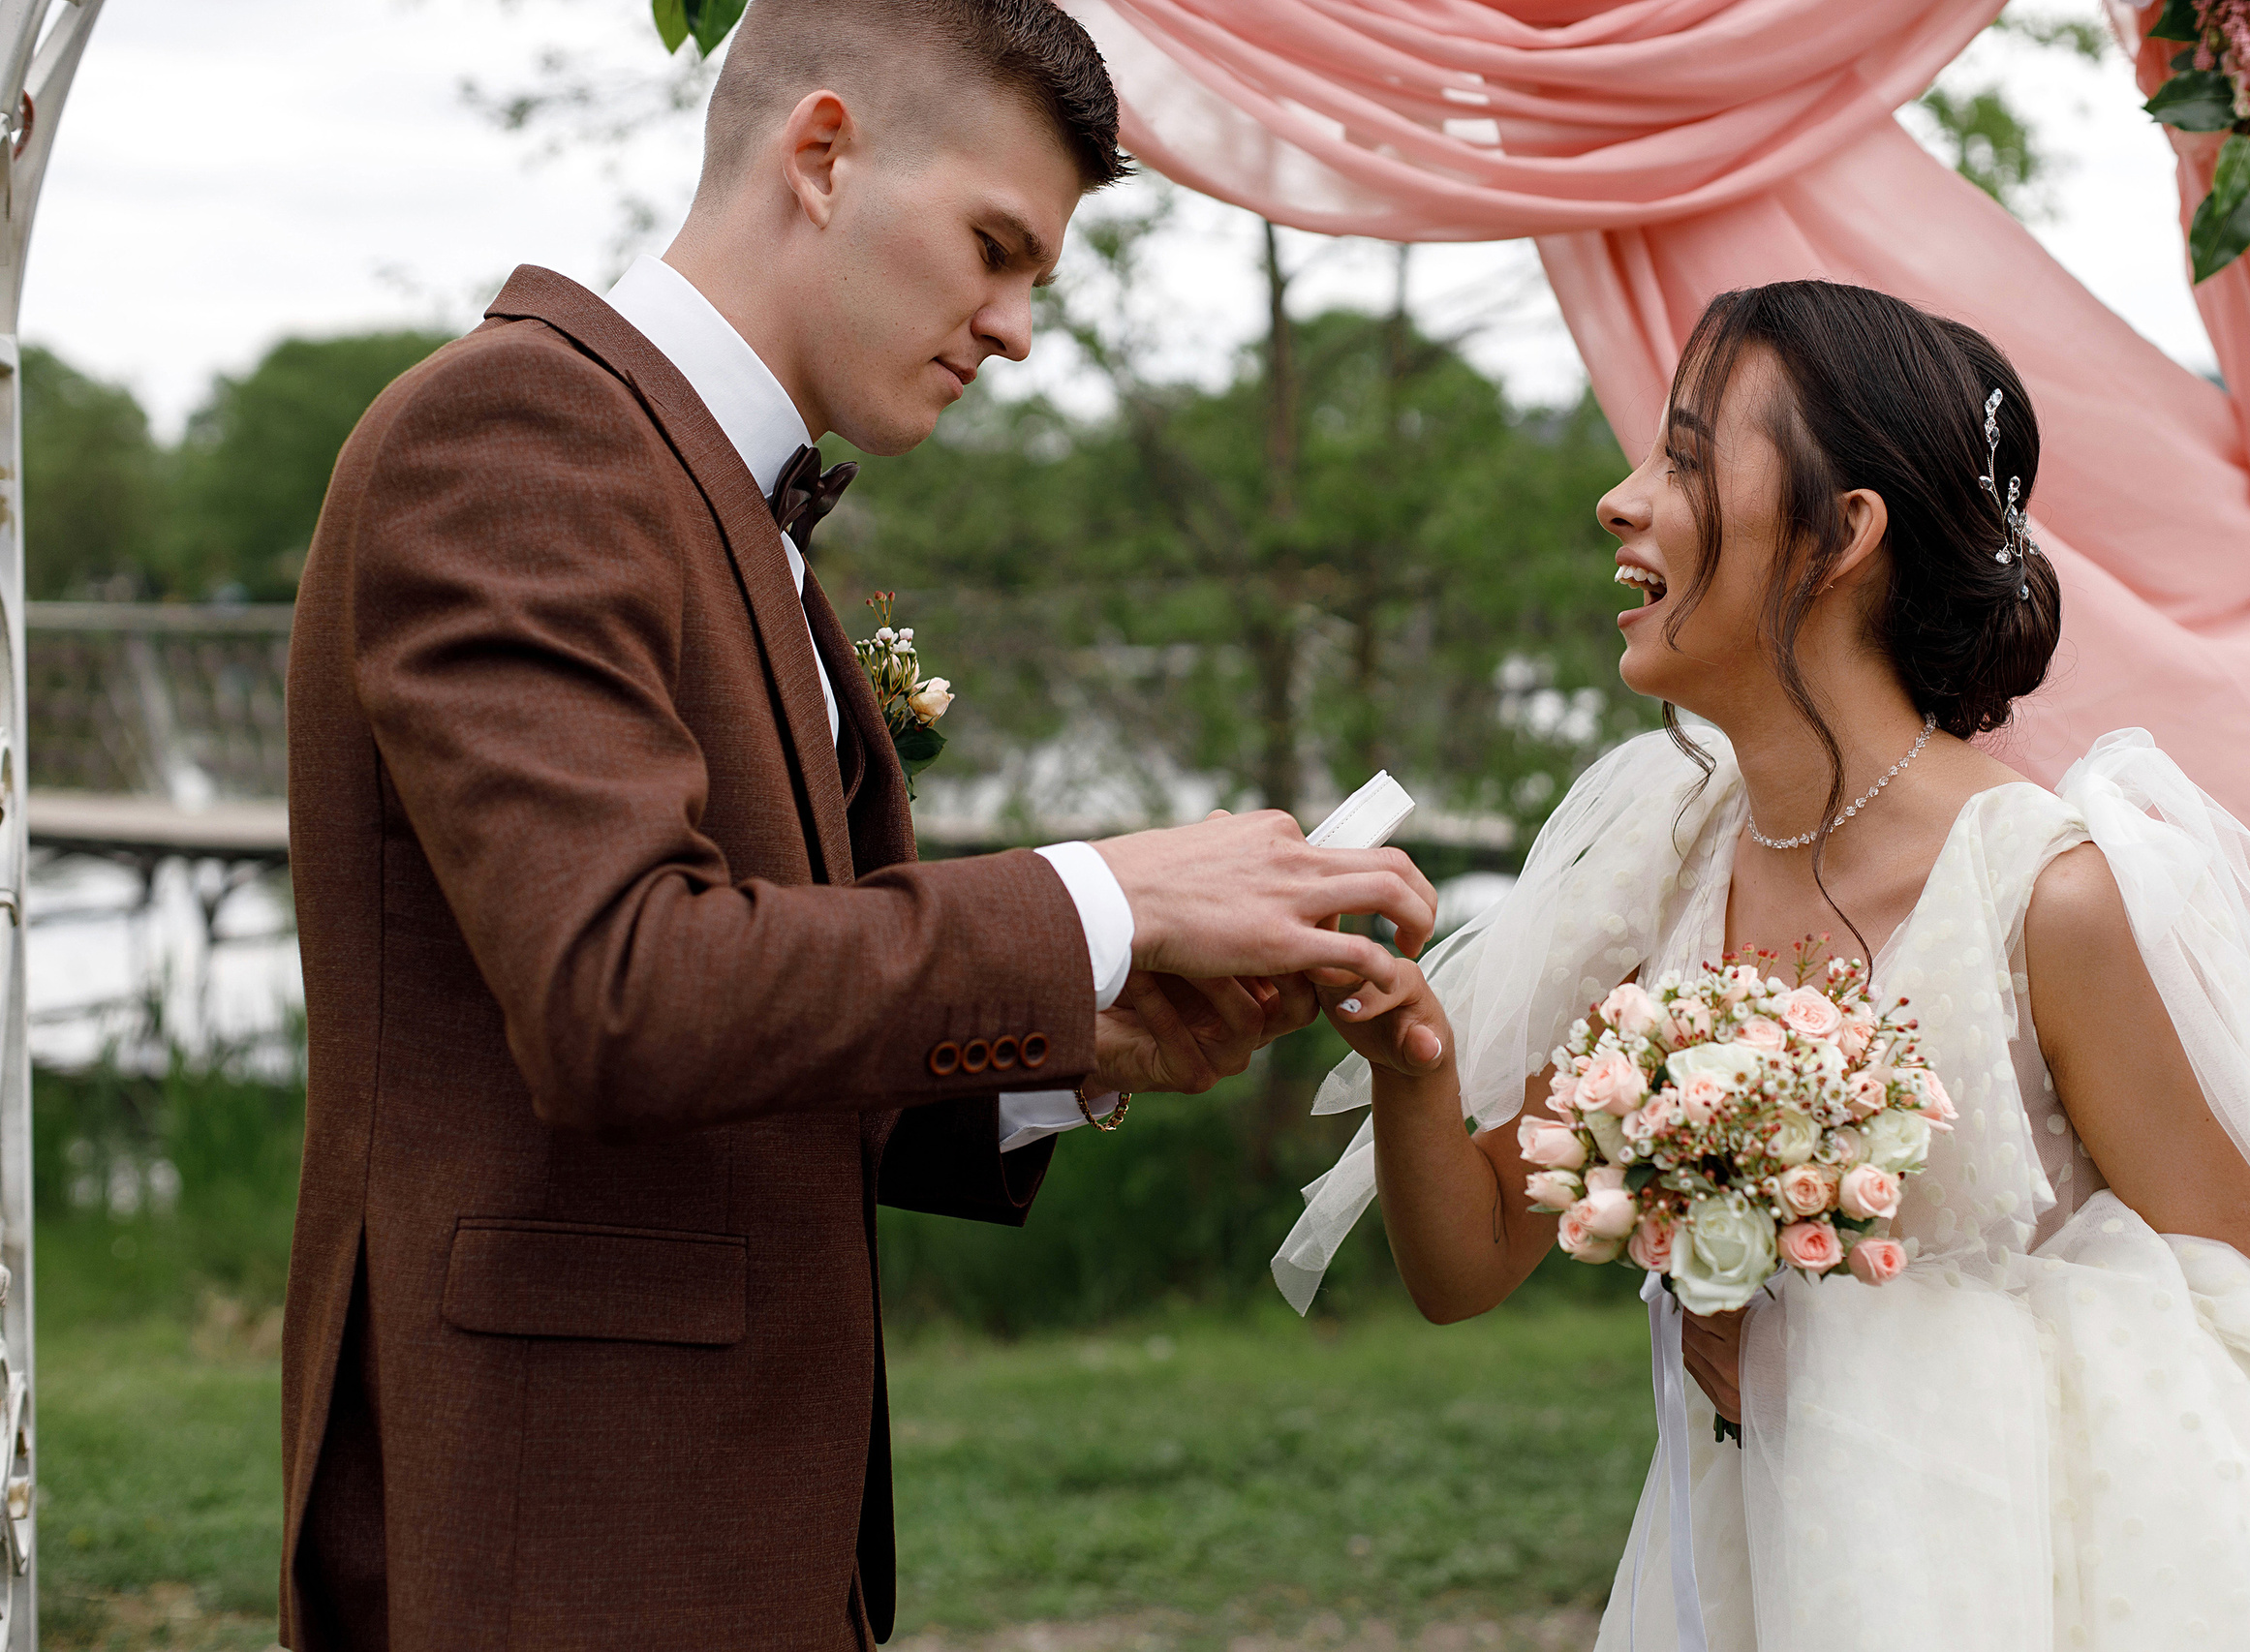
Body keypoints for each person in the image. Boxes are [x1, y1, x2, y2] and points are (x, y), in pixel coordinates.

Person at [278, 4, 1434, 1648]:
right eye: (994, 247)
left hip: (721, 1534)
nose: (1017, 328)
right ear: (821, 155)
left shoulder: (725, 504)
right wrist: (1095, 897)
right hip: (552, 1534)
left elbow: (758, 1025)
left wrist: (1075, 1045)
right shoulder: (515, 438)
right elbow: (621, 990)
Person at [1279, 281, 2250, 1648]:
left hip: (2020, 1574)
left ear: (1842, 534)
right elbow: (1466, 1259)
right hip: (1750, 1564)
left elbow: (2244, 1318)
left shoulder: (2043, 896)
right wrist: (1414, 1055)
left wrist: (1833, 1353)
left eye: (1687, 458)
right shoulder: (1666, 853)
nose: (1619, 497)